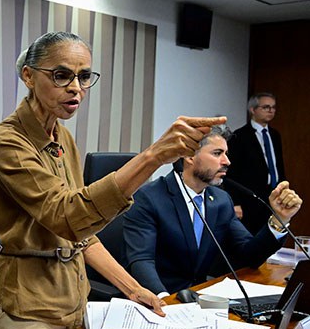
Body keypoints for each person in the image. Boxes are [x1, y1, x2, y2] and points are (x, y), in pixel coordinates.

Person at [0, 31, 225, 329]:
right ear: (29, 76)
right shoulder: (7, 142)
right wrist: (152, 157)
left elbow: (82, 235)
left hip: (71, 303)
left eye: (83, 77)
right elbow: (67, 217)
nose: (76, 88)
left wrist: (133, 289)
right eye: (62, 75)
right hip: (23, 309)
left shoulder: (63, 139)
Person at [124, 125, 301, 295]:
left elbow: (250, 255)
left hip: (200, 299)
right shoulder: (149, 198)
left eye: (226, 154)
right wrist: (163, 300)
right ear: (189, 156)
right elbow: (141, 260)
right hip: (159, 300)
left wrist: (279, 219)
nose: (227, 162)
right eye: (217, 153)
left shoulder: (221, 200)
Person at [224, 93, 286, 233]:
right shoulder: (240, 136)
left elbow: (278, 165)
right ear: (253, 109)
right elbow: (231, 173)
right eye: (266, 107)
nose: (271, 110)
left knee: (273, 234)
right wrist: (235, 202)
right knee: (252, 237)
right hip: (250, 198)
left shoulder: (275, 135)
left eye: (273, 107)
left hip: (274, 195)